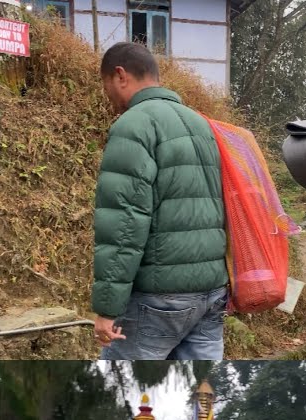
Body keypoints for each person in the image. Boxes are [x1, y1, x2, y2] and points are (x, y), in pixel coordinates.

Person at [92, 42, 229, 360]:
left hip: (159, 297)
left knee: (122, 391)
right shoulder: (201, 125)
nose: (107, 95)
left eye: (106, 85)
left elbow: (125, 222)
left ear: (120, 75)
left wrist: (107, 308)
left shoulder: (133, 125)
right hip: (212, 293)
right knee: (199, 393)